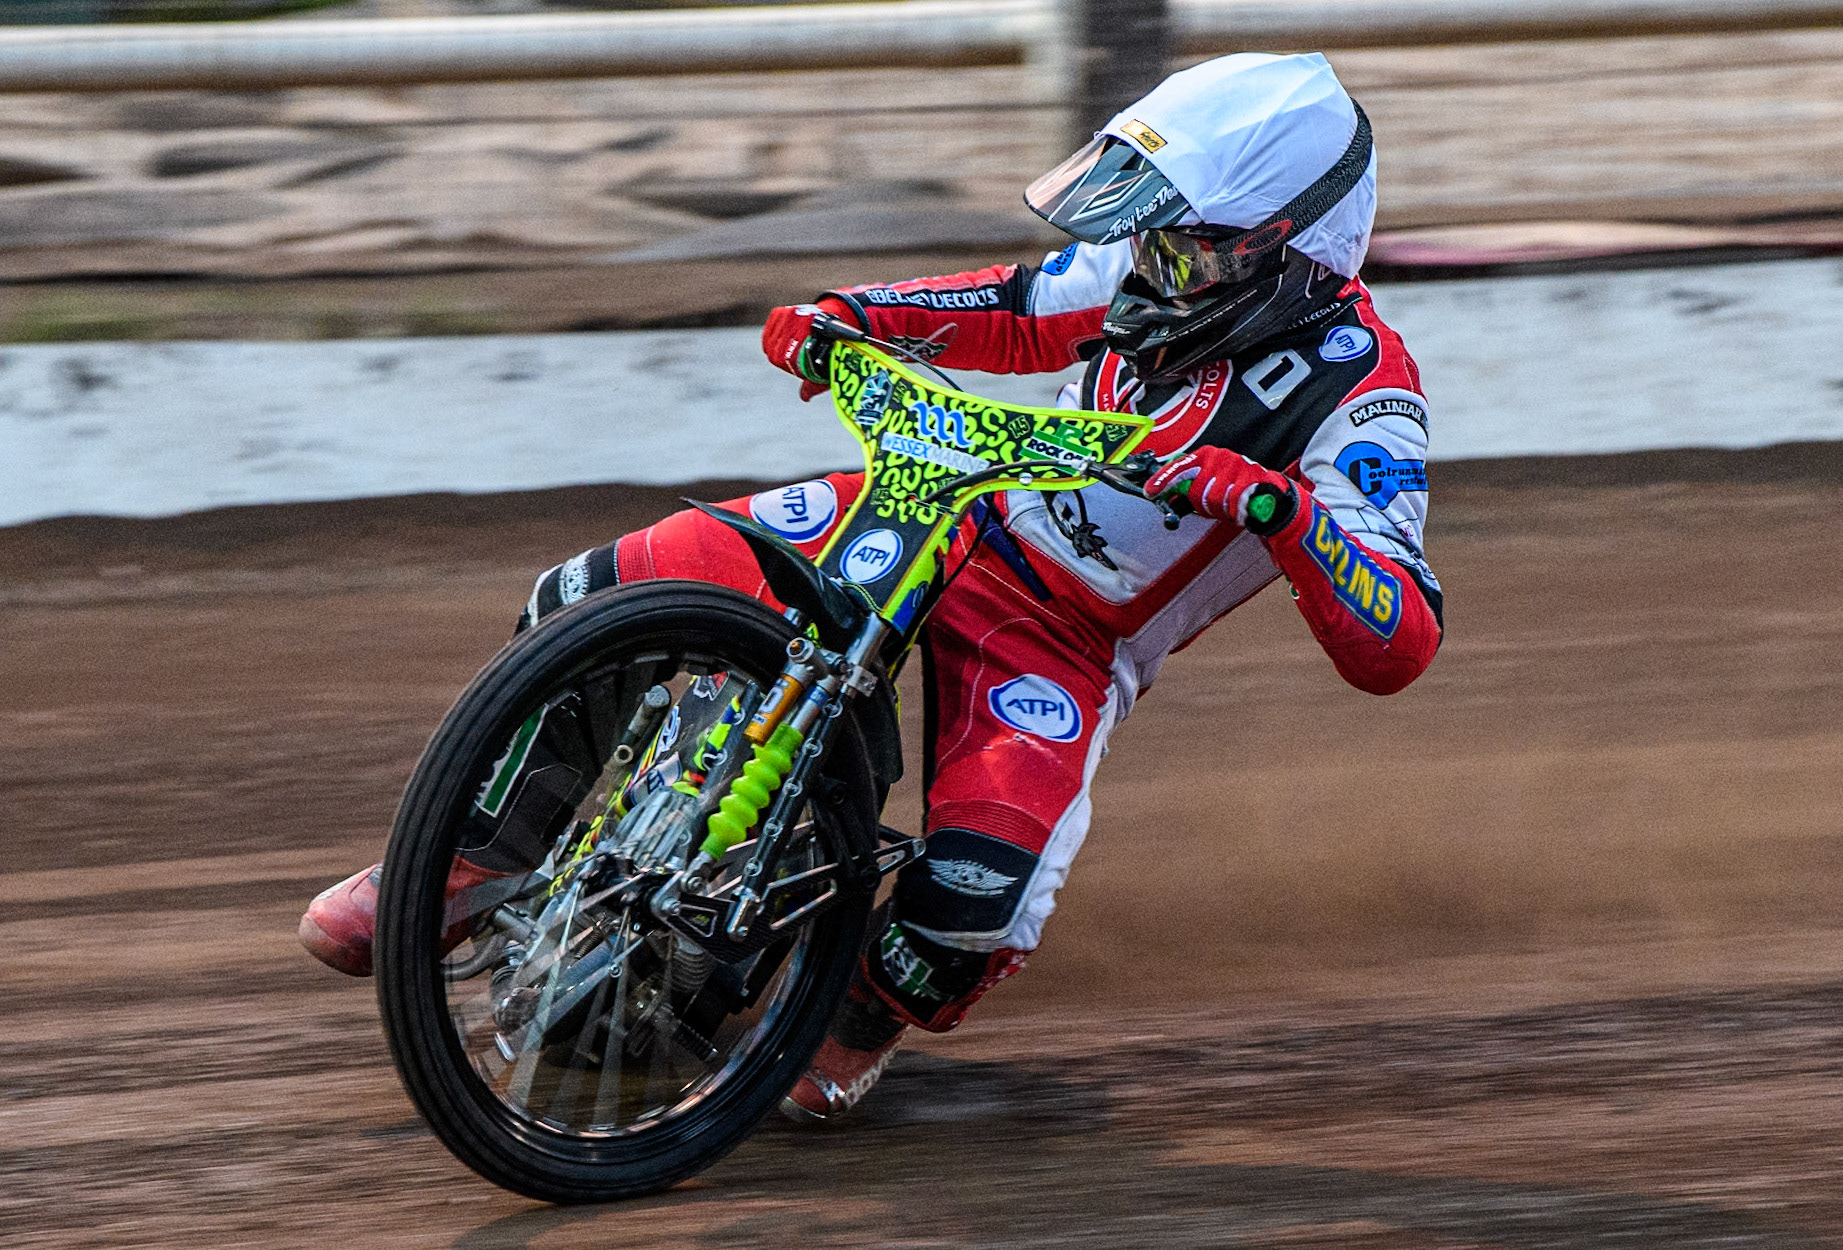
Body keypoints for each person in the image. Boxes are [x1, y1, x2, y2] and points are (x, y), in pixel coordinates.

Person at [300, 51, 1442, 1122]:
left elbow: (1398, 638)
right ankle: (469, 860)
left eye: (1184, 248)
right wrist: (853, 313)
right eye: (1150, 239)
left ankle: (847, 1020)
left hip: (1062, 637)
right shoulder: (1155, 267)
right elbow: (1009, 304)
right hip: (937, 508)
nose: (1150, 268)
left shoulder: (1364, 397)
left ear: (1291, 253)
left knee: (970, 907)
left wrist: (1283, 512)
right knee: (588, 593)